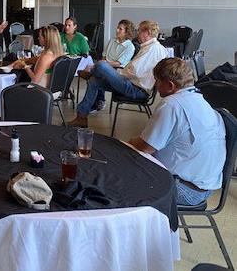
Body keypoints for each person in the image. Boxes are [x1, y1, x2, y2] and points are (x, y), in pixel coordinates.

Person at [128, 58, 226, 206]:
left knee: (120, 181)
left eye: (158, 81)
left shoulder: (172, 104)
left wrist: (127, 142)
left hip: (184, 189)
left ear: (170, 85)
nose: (156, 85)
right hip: (203, 187)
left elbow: (145, 147)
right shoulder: (200, 100)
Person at [69, 20, 168, 127]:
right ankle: (81, 117)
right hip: (132, 83)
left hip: (137, 90)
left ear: (148, 33)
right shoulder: (151, 47)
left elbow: (134, 71)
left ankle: (92, 72)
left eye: (139, 31)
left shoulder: (152, 49)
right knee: (94, 81)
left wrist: (117, 72)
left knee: (101, 66)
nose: (137, 33)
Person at [77, 19, 136, 111]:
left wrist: (104, 64)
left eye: (120, 29)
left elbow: (119, 63)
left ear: (127, 32)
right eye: (117, 28)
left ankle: (97, 100)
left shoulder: (130, 47)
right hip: (104, 66)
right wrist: (103, 63)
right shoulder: (112, 41)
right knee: (96, 76)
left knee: (97, 73)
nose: (117, 30)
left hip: (117, 71)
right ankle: (99, 100)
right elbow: (104, 56)